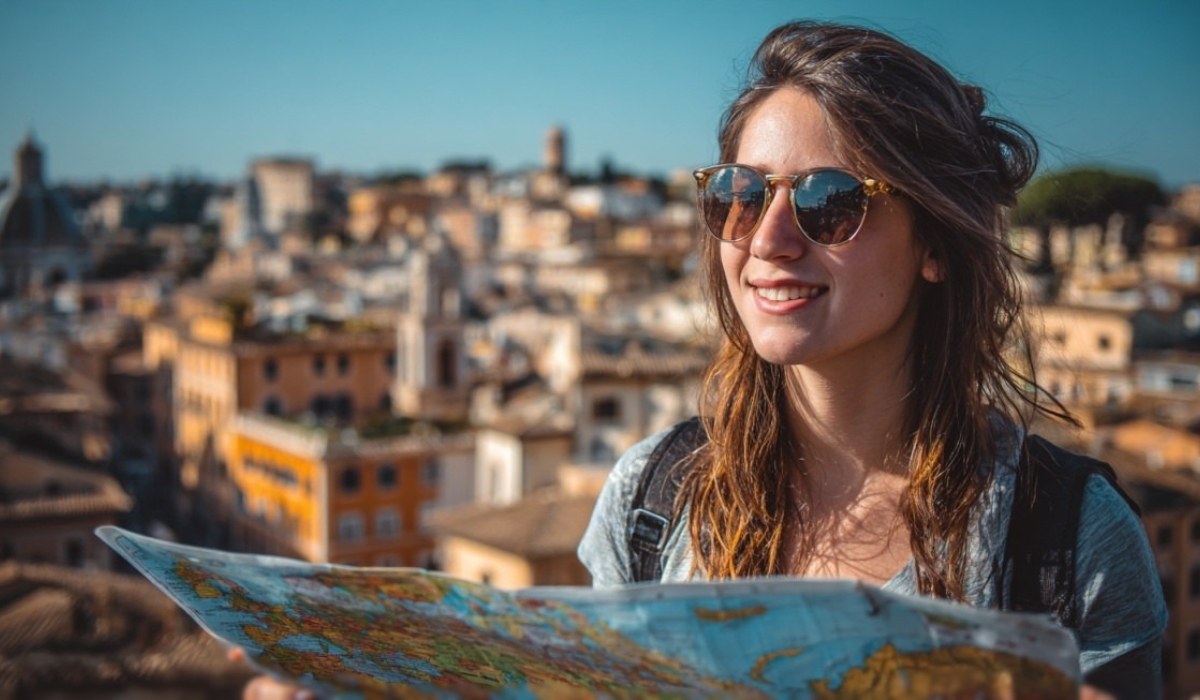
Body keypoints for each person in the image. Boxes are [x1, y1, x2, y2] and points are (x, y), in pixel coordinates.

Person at [577, 19, 1166, 700]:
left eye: (828, 201)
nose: (768, 240)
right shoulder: (649, 502)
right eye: (741, 194)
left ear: (936, 245)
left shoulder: (1073, 541)